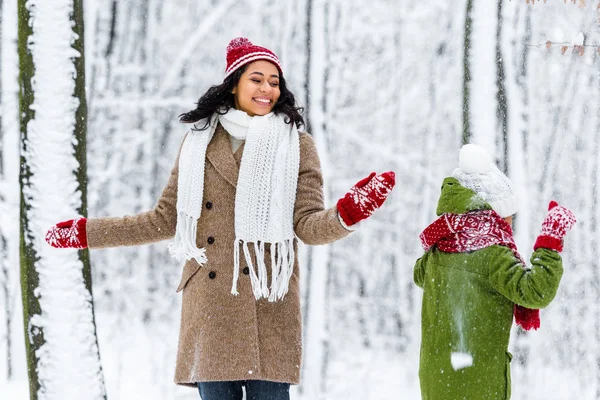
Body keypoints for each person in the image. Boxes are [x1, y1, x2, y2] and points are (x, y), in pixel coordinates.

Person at [45, 37, 396, 400]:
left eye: (274, 82)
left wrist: (347, 214)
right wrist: (88, 233)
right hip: (212, 304)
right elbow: (163, 219)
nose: (267, 89)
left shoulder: (296, 145)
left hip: (267, 298)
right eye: (256, 79)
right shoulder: (198, 141)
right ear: (234, 85)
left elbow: (306, 226)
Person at [413, 143, 575, 400]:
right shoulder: (492, 252)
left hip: (436, 377)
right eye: (508, 216)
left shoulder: (442, 244)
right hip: (477, 382)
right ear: (493, 214)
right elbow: (535, 291)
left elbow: (420, 275)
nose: (509, 224)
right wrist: (549, 242)